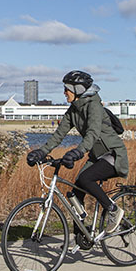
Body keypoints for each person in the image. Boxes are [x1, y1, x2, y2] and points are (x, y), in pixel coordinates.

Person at [26, 70, 129, 248]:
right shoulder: (73, 110)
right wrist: (41, 152)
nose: (64, 92)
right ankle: (82, 234)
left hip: (113, 154)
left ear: (77, 89)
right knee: (75, 192)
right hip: (97, 157)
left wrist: (78, 151)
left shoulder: (94, 106)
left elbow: (93, 133)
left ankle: (113, 210)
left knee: (85, 178)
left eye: (67, 89)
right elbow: (58, 135)